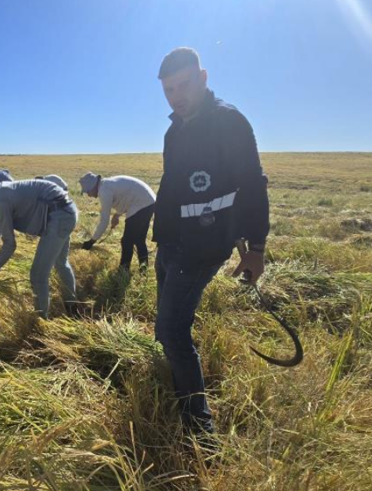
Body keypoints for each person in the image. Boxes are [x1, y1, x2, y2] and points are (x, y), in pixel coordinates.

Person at [152, 48, 269, 435]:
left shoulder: (228, 122)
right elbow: (174, 187)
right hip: (170, 242)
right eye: (169, 89)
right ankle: (173, 383)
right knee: (164, 323)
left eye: (183, 85)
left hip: (202, 246)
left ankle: (200, 433)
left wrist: (256, 247)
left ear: (203, 78)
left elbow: (252, 184)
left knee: (172, 329)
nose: (176, 95)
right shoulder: (174, 130)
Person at [0, 176, 79, 319]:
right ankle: (72, 309)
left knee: (37, 275)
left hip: (59, 216)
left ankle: (41, 321)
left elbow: (10, 245)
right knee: (61, 263)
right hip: (66, 211)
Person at [78, 173, 156, 271]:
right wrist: (117, 215)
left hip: (141, 204)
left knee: (126, 241)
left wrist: (92, 241)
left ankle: (123, 269)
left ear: (93, 186)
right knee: (139, 239)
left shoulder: (104, 191)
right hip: (150, 201)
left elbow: (104, 221)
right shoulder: (107, 183)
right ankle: (143, 270)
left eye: (88, 191)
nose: (89, 195)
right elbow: (125, 197)